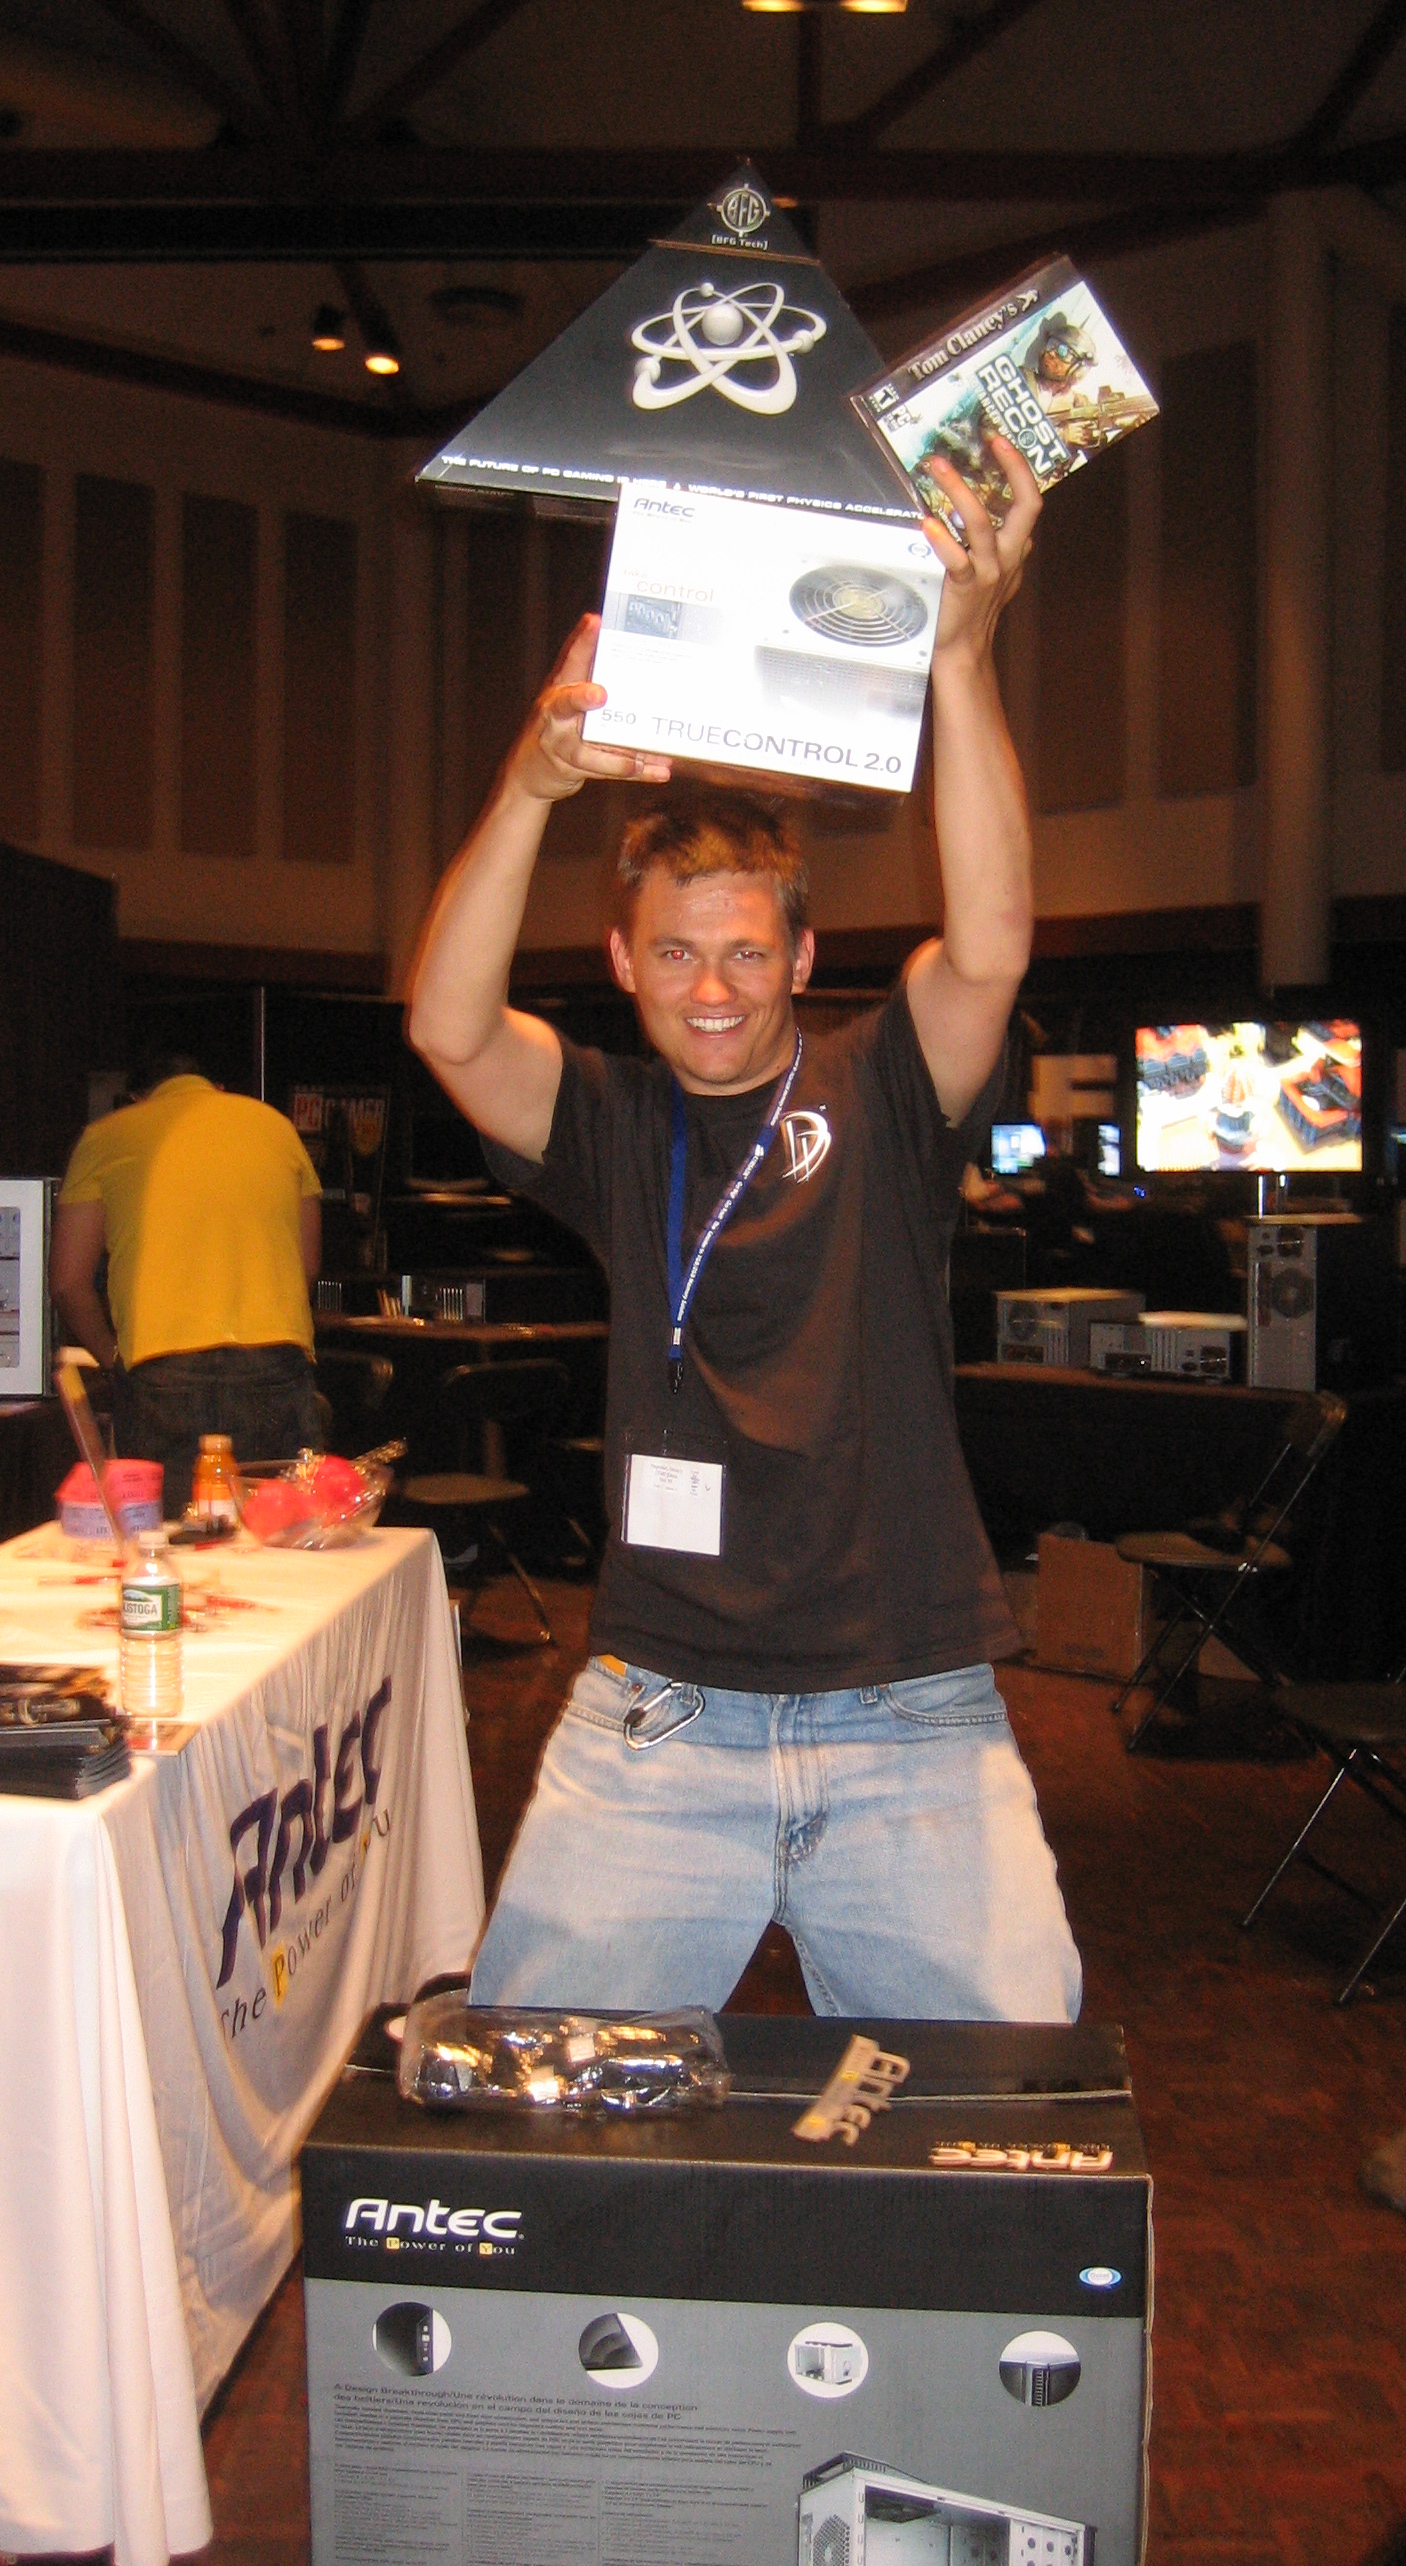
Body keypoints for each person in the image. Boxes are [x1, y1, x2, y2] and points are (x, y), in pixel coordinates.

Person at [408, 432, 1081, 2023]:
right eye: (674, 954)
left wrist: (961, 659)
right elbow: (448, 1026)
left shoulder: (884, 1086)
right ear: (623, 963)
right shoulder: (611, 1121)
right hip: (661, 1719)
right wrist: (531, 788)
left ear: (801, 958)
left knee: (996, 2126)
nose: (711, 988)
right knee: (545, 2108)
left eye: (745, 953)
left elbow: (990, 945)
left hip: (909, 1706)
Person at [50, 1047, 326, 1515]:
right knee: (285, 1532)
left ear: (136, 1098)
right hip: (273, 1360)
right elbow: (308, 1263)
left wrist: (113, 1356)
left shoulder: (105, 1137)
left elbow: (68, 1283)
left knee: (172, 1537)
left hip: (161, 1369)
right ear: (217, 1088)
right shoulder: (276, 1127)